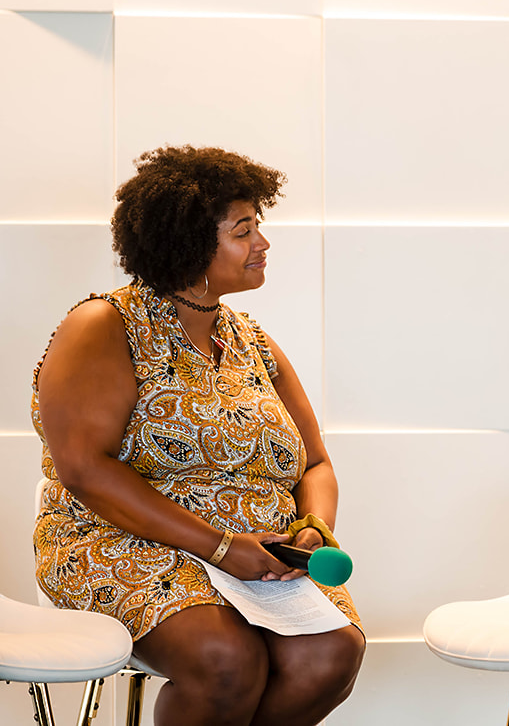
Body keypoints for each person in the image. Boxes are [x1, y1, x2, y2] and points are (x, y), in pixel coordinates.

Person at [32, 146, 363, 726]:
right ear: (188, 243)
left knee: (330, 654)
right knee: (225, 658)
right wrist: (218, 547)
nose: (262, 244)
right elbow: (84, 466)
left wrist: (312, 531)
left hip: (259, 554)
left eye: (258, 227)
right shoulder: (107, 325)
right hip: (123, 542)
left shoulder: (252, 341)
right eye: (244, 230)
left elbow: (314, 463)